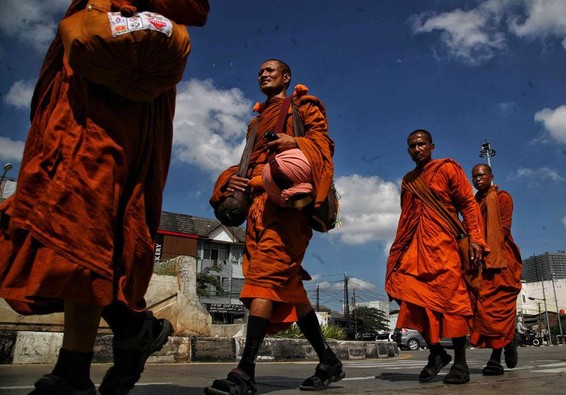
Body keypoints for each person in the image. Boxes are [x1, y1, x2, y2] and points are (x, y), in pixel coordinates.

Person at [0, 1, 209, 394]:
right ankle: (130, 331)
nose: (265, 74)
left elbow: (195, 8)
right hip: (76, 86)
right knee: (52, 215)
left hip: (122, 102)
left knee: (88, 219)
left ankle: (74, 370)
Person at [206, 59, 340, 394]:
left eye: (271, 70)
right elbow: (250, 164)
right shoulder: (255, 124)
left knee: (264, 279)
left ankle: (245, 372)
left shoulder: (303, 106)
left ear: (286, 77)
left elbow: (324, 146)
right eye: (260, 70)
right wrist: (233, 184)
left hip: (288, 208)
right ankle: (328, 360)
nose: (263, 73)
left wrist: (295, 143)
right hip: (257, 209)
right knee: (289, 288)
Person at [385, 130, 486, 385]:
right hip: (415, 250)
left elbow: (467, 203)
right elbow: (405, 218)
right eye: (411, 146)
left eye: (421, 144)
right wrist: (396, 255)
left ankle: (461, 363)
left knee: (453, 304)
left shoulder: (447, 168)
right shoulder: (408, 181)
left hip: (445, 248)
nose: (417, 149)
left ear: (432, 146)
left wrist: (475, 238)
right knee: (412, 299)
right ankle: (437, 353)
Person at [469, 163, 523, 375]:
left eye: (481, 175)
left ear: (491, 176)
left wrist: (481, 241)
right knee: (482, 309)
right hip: (480, 261)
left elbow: (503, 228)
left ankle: (495, 358)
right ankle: (510, 340)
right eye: (474, 177)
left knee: (499, 308)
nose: (478, 179)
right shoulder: (473, 203)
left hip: (501, 259)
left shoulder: (502, 198)